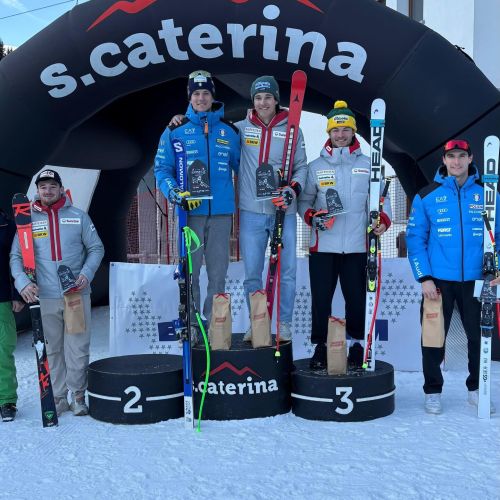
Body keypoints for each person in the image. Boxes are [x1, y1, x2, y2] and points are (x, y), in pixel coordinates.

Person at [406, 139, 498, 415]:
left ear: (470, 159)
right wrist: (424, 278)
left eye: (461, 156)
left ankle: (476, 388)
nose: (456, 162)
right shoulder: (427, 195)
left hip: (477, 279)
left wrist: (497, 268)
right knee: (433, 338)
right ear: (444, 160)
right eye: (451, 157)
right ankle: (432, 391)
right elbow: (415, 239)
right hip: (438, 281)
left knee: (478, 337)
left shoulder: (488, 194)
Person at [298, 100, 391, 370]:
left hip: (357, 246)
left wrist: (383, 221)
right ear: (329, 132)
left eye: (345, 129)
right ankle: (321, 347)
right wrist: (312, 217)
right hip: (323, 247)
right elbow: (304, 202)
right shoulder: (316, 166)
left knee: (356, 299)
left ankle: (357, 345)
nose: (340, 135)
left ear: (353, 131)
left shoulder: (369, 165)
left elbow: (381, 201)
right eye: (336, 130)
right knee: (321, 301)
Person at [10, 169, 104, 417]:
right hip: (46, 296)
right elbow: (16, 256)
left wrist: (87, 274)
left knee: (78, 347)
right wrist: (23, 283)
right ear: (37, 191)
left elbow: (96, 248)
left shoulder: (78, 216)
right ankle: (59, 397)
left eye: (53, 186)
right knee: (51, 349)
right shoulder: (28, 221)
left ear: (61, 189)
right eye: (43, 187)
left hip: (75, 294)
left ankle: (78, 396)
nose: (48, 191)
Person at [154, 70, 240, 342]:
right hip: (190, 215)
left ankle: (214, 325)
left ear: (212, 96)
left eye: (205, 93)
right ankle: (191, 324)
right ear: (189, 97)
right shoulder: (175, 130)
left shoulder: (229, 131)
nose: (201, 98)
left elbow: (245, 169)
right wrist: (174, 193)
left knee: (218, 274)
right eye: (196, 93)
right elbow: (162, 170)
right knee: (190, 273)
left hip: (221, 214)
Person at [236, 76, 307, 342]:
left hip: (283, 212)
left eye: (267, 97)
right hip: (251, 211)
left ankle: (284, 323)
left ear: (276, 100)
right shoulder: (240, 128)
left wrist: (292, 190)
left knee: (287, 271)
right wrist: (180, 118)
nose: (263, 102)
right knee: (252, 274)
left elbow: (301, 166)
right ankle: (257, 323)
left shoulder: (292, 128)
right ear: (252, 101)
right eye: (258, 97)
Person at [0, 208, 24, 422]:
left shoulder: (7, 226)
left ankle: (6, 400)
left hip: (2, 298)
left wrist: (18, 294)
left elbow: (19, 259)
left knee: (3, 350)